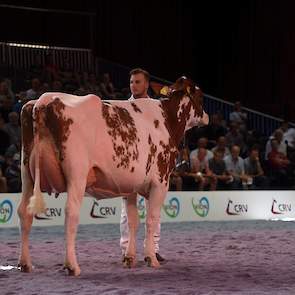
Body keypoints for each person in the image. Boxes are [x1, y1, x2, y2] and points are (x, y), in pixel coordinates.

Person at [120, 68, 165, 263]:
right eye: (131, 82)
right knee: (127, 207)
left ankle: (152, 249)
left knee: (153, 210)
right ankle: (126, 249)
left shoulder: (157, 107)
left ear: (146, 84)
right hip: (128, 164)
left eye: (137, 82)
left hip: (153, 165)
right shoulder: (122, 107)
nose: (134, 85)